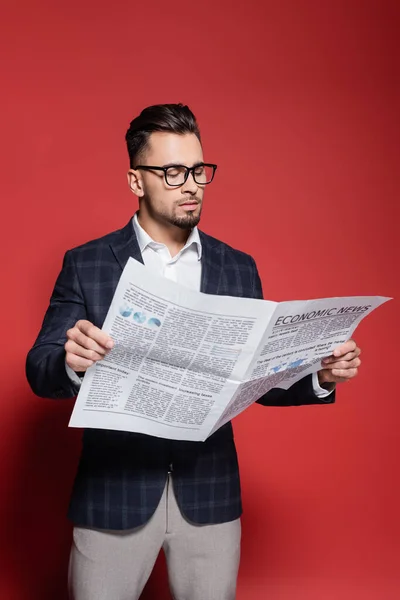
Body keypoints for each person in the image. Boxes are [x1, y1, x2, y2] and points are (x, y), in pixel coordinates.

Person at [26, 103, 361, 600]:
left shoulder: (237, 268)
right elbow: (40, 367)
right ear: (136, 181)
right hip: (114, 494)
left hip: (208, 496)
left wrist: (322, 376)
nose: (192, 184)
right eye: (173, 171)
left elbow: (258, 381)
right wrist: (70, 363)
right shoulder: (88, 263)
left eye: (199, 170)